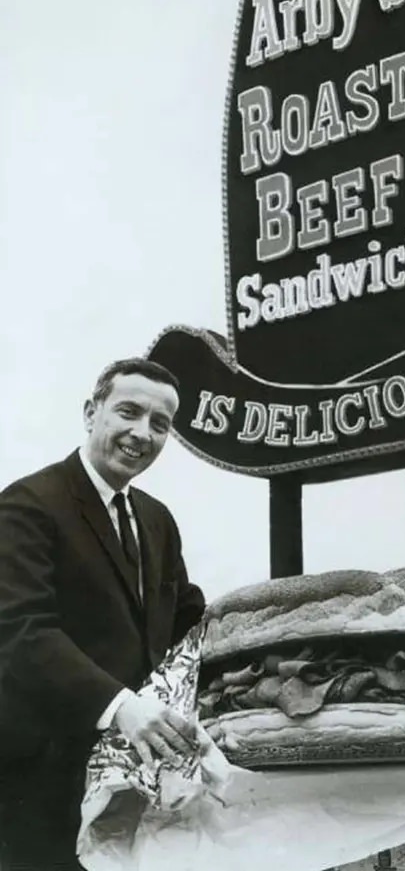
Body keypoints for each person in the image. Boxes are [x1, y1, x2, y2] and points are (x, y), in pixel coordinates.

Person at [0, 357, 205, 871]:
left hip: (139, 784)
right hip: (43, 784)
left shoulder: (158, 520)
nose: (143, 433)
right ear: (92, 412)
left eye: (160, 424)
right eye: (129, 413)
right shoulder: (26, 505)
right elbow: (22, 632)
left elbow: (190, 625)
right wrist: (123, 708)